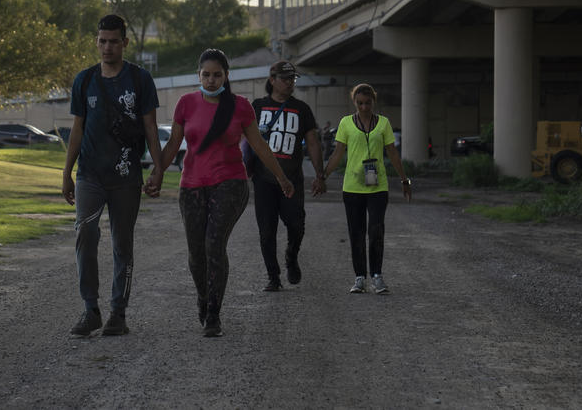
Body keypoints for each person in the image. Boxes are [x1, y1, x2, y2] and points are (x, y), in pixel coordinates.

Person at [149, 49, 294, 337]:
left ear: (226, 76)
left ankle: (213, 312)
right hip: (191, 185)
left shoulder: (240, 106)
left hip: (230, 183)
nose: (212, 80)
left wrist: (281, 177)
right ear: (198, 75)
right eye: (206, 74)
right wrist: (157, 174)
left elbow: (259, 145)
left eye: (217, 75)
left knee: (214, 245)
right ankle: (203, 296)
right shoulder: (186, 104)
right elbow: (172, 146)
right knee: (196, 255)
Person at [62, 14, 163, 337]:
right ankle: (90, 309)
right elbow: (77, 129)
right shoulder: (85, 80)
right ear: (96, 41)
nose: (107, 47)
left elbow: (150, 126)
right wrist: (67, 172)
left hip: (126, 176)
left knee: (123, 244)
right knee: (86, 235)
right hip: (90, 175)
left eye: (113, 41)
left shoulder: (139, 79)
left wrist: (158, 168)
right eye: (102, 41)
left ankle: (118, 313)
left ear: (125, 43)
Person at [315, 83, 411, 295]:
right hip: (352, 187)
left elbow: (393, 153)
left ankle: (377, 276)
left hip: (378, 187)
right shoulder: (346, 123)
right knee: (356, 233)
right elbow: (338, 153)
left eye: (367, 103)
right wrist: (322, 177)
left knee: (376, 231)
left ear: (373, 102)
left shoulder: (383, 123)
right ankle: (360, 278)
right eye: (360, 103)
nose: (364, 107)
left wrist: (405, 180)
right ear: (354, 103)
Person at [250, 60, 325, 291]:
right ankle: (273, 277)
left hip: (292, 180)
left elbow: (312, 143)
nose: (290, 83)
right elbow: (244, 140)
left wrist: (320, 175)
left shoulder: (302, 109)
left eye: (293, 79)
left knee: (296, 225)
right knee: (266, 231)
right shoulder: (257, 106)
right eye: (285, 79)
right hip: (263, 180)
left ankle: (291, 256)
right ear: (272, 80)